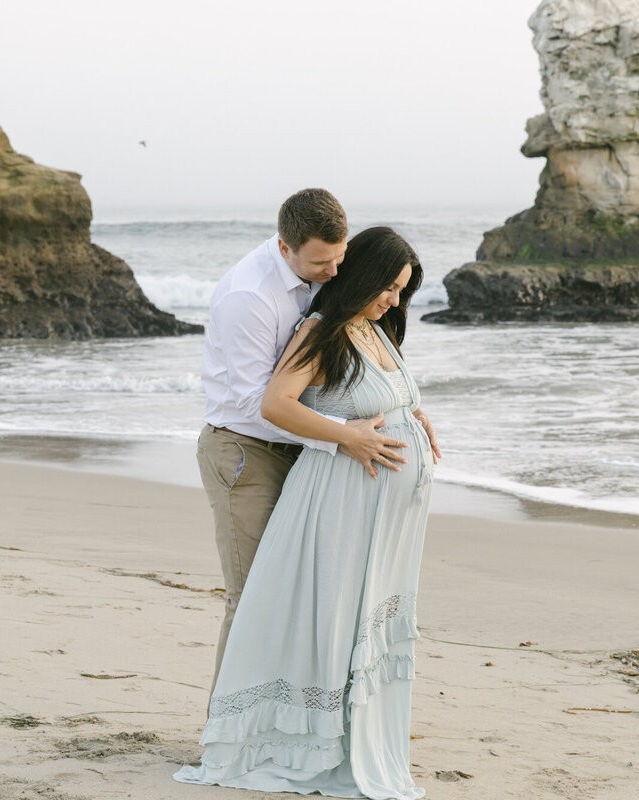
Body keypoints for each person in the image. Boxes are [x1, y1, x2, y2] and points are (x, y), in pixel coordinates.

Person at [177, 226, 442, 800]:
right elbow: (274, 403)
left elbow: (381, 396)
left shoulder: (375, 329)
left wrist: (413, 415)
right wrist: (345, 437)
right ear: (364, 276)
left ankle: (349, 733)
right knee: (302, 613)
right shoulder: (319, 331)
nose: (395, 300)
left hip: (382, 517)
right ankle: (271, 735)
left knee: (355, 619)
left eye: (402, 290)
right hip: (338, 501)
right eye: (389, 287)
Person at [198, 189, 409, 693]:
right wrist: (340, 439)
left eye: (341, 258)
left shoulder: (323, 276)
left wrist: (403, 403)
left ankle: (282, 718)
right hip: (244, 454)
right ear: (285, 247)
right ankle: (225, 734)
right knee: (254, 598)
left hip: (300, 453)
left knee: (301, 596)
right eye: (321, 261)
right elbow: (258, 406)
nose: (335, 272)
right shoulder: (249, 297)